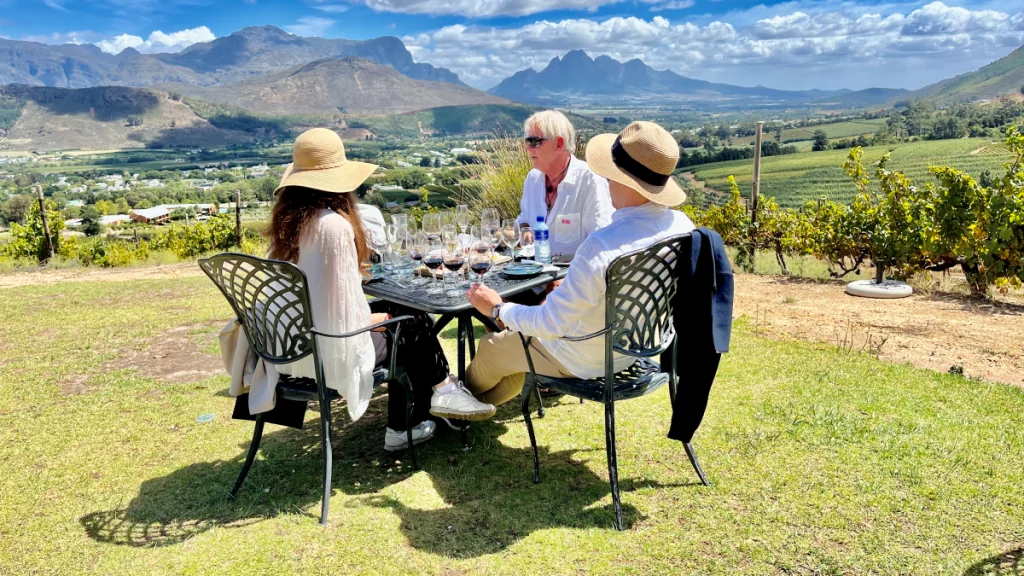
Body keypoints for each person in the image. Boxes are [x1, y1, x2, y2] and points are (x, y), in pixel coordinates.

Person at [267, 128, 495, 452]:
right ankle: (416, 416)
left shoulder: (285, 225)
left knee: (404, 315)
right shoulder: (333, 226)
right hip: (329, 352)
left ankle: (439, 397)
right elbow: (345, 323)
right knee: (409, 321)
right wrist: (379, 319)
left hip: (287, 349)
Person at [465, 121, 695, 407]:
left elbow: (550, 324)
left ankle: (449, 409)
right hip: (632, 350)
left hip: (581, 356)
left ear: (619, 177)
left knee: (492, 348)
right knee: (512, 355)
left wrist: (498, 308)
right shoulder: (682, 226)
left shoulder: (602, 247)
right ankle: (464, 411)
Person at [517, 110, 614, 262]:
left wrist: (568, 280)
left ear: (559, 144)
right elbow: (524, 219)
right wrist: (524, 231)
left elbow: (602, 242)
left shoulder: (590, 180)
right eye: (527, 142)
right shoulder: (533, 178)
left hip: (572, 279)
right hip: (534, 275)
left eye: (535, 142)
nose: (528, 148)